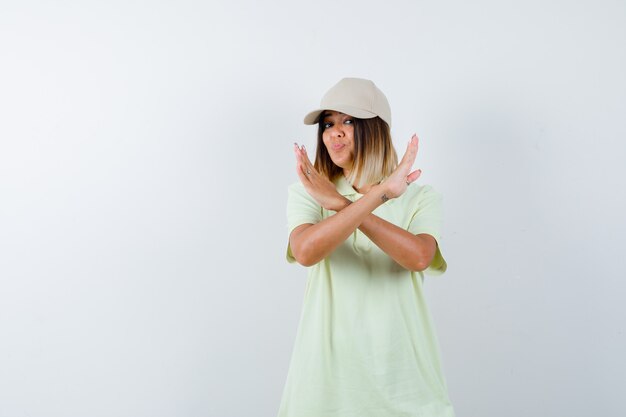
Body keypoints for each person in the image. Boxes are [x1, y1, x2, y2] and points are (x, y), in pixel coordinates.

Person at [277, 78, 454, 417]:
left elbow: (419, 256)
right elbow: (305, 252)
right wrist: (376, 197)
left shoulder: (421, 196)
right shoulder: (309, 191)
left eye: (348, 121)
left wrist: (347, 204)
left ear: (375, 129)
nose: (334, 132)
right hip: (323, 390)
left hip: (405, 386)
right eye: (328, 123)